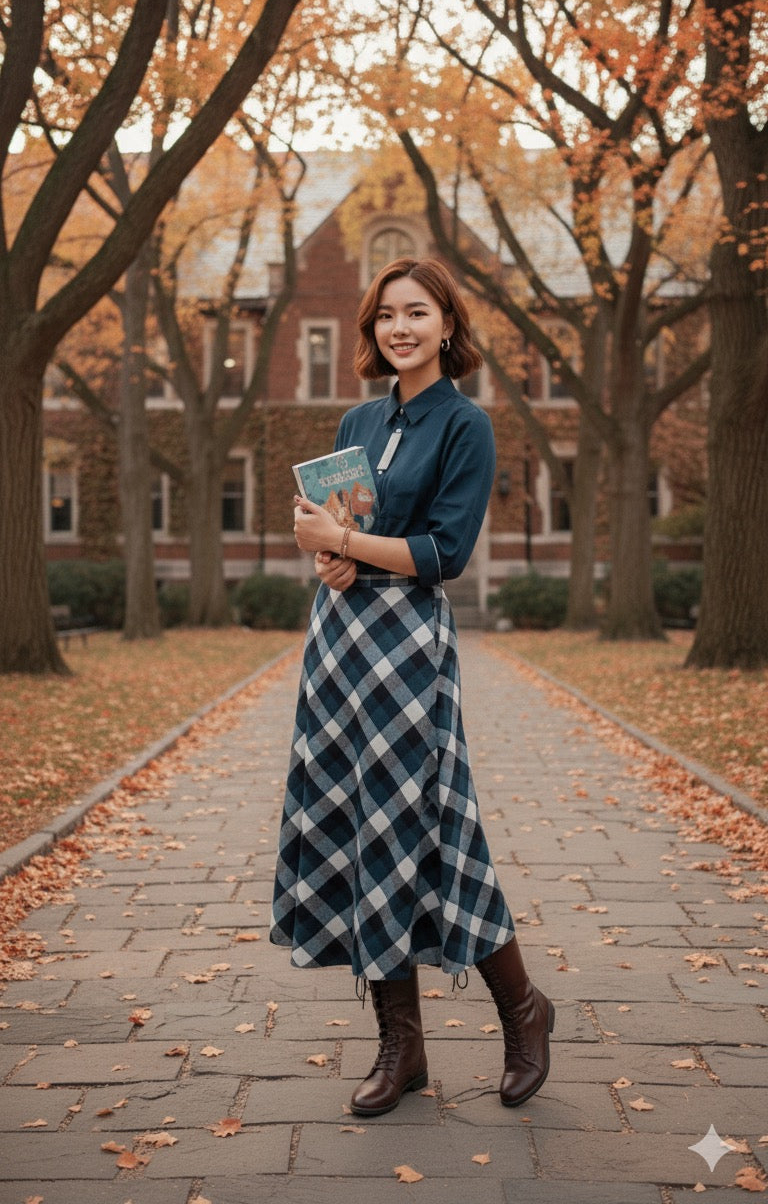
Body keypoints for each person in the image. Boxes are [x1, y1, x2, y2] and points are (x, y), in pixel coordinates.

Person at [270, 256, 554, 1117]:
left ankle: (523, 1009)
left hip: (408, 646)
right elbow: (347, 535)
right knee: (362, 828)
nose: (400, 327)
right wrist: (328, 554)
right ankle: (403, 1046)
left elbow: (442, 555)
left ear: (447, 325)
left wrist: (344, 546)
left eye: (417, 312)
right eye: (387, 315)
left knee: (431, 826)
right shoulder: (359, 418)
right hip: (339, 642)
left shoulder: (465, 425)